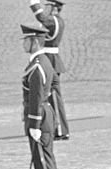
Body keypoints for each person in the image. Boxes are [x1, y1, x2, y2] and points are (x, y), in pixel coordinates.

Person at [21, 24, 58, 169]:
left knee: (42, 160)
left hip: (39, 117)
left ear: (34, 41)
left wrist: (34, 124)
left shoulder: (37, 66)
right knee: (46, 158)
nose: (24, 44)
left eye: (26, 40)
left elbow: (35, 97)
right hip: (46, 113)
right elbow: (54, 85)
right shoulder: (44, 62)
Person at [26, 0, 69, 140]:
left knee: (54, 98)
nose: (46, 8)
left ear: (54, 8)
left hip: (51, 58)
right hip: (50, 57)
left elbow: (41, 17)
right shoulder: (56, 20)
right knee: (50, 97)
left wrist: (34, 3)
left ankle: (61, 130)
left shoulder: (54, 21)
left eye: (48, 6)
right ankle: (55, 128)